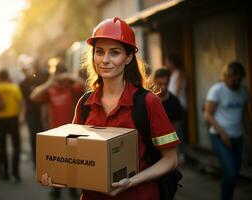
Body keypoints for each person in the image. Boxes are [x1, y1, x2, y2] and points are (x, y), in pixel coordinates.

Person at [40, 17, 179, 200]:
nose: (105, 60)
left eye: (114, 53)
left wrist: (131, 181)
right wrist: (60, 176)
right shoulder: (85, 104)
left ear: (128, 57)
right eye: (99, 52)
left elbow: (170, 160)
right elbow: (75, 158)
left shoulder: (147, 102)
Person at [31, 62, 84, 198]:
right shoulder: (50, 89)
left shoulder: (72, 88)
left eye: (62, 76)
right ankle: (56, 189)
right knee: (56, 163)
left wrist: (70, 76)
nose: (61, 80)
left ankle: (72, 188)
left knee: (72, 163)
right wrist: (50, 81)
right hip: (55, 132)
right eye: (58, 76)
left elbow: (88, 87)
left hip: (73, 132)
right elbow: (34, 96)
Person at [204, 62, 249, 200]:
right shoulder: (217, 90)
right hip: (219, 136)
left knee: (234, 173)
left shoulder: (243, 90)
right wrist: (223, 133)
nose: (236, 82)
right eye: (234, 79)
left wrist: (249, 134)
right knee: (230, 173)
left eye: (239, 80)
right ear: (226, 76)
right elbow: (208, 114)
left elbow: (245, 115)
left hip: (238, 136)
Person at [0, 70, 24, 182]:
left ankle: (5, 173)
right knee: (16, 146)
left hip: (0, 120)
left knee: (2, 147)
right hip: (13, 119)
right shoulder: (14, 87)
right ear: (8, 76)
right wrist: (21, 117)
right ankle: (15, 173)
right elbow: (21, 103)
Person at [152, 68, 185, 162]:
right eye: (160, 84)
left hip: (169, 145)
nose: (163, 88)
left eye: (166, 84)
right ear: (154, 82)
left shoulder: (174, 101)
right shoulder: (149, 100)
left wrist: (177, 148)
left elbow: (177, 127)